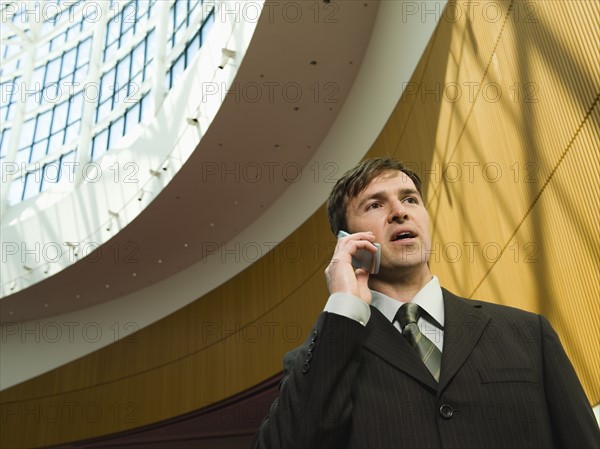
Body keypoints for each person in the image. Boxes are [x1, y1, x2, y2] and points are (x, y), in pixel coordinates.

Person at [251, 157, 600, 448]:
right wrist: (343, 305)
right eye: (375, 204)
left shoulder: (528, 334)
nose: (399, 212)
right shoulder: (319, 359)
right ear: (348, 240)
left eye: (410, 199)